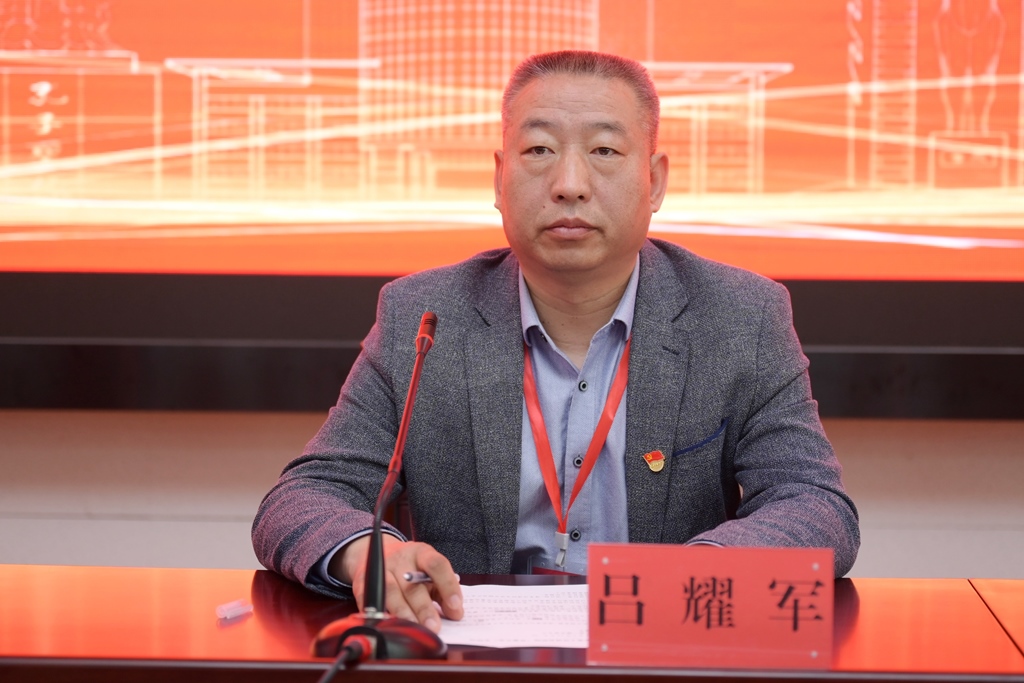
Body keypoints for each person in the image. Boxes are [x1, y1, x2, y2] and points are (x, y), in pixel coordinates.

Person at [252, 50, 860, 634]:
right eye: (539, 150)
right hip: (473, 658)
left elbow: (813, 504)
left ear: (653, 182)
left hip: (660, 651)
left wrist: (695, 574)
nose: (570, 184)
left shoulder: (740, 316)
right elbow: (303, 496)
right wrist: (368, 552)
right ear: (500, 178)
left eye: (604, 151)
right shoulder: (425, 316)